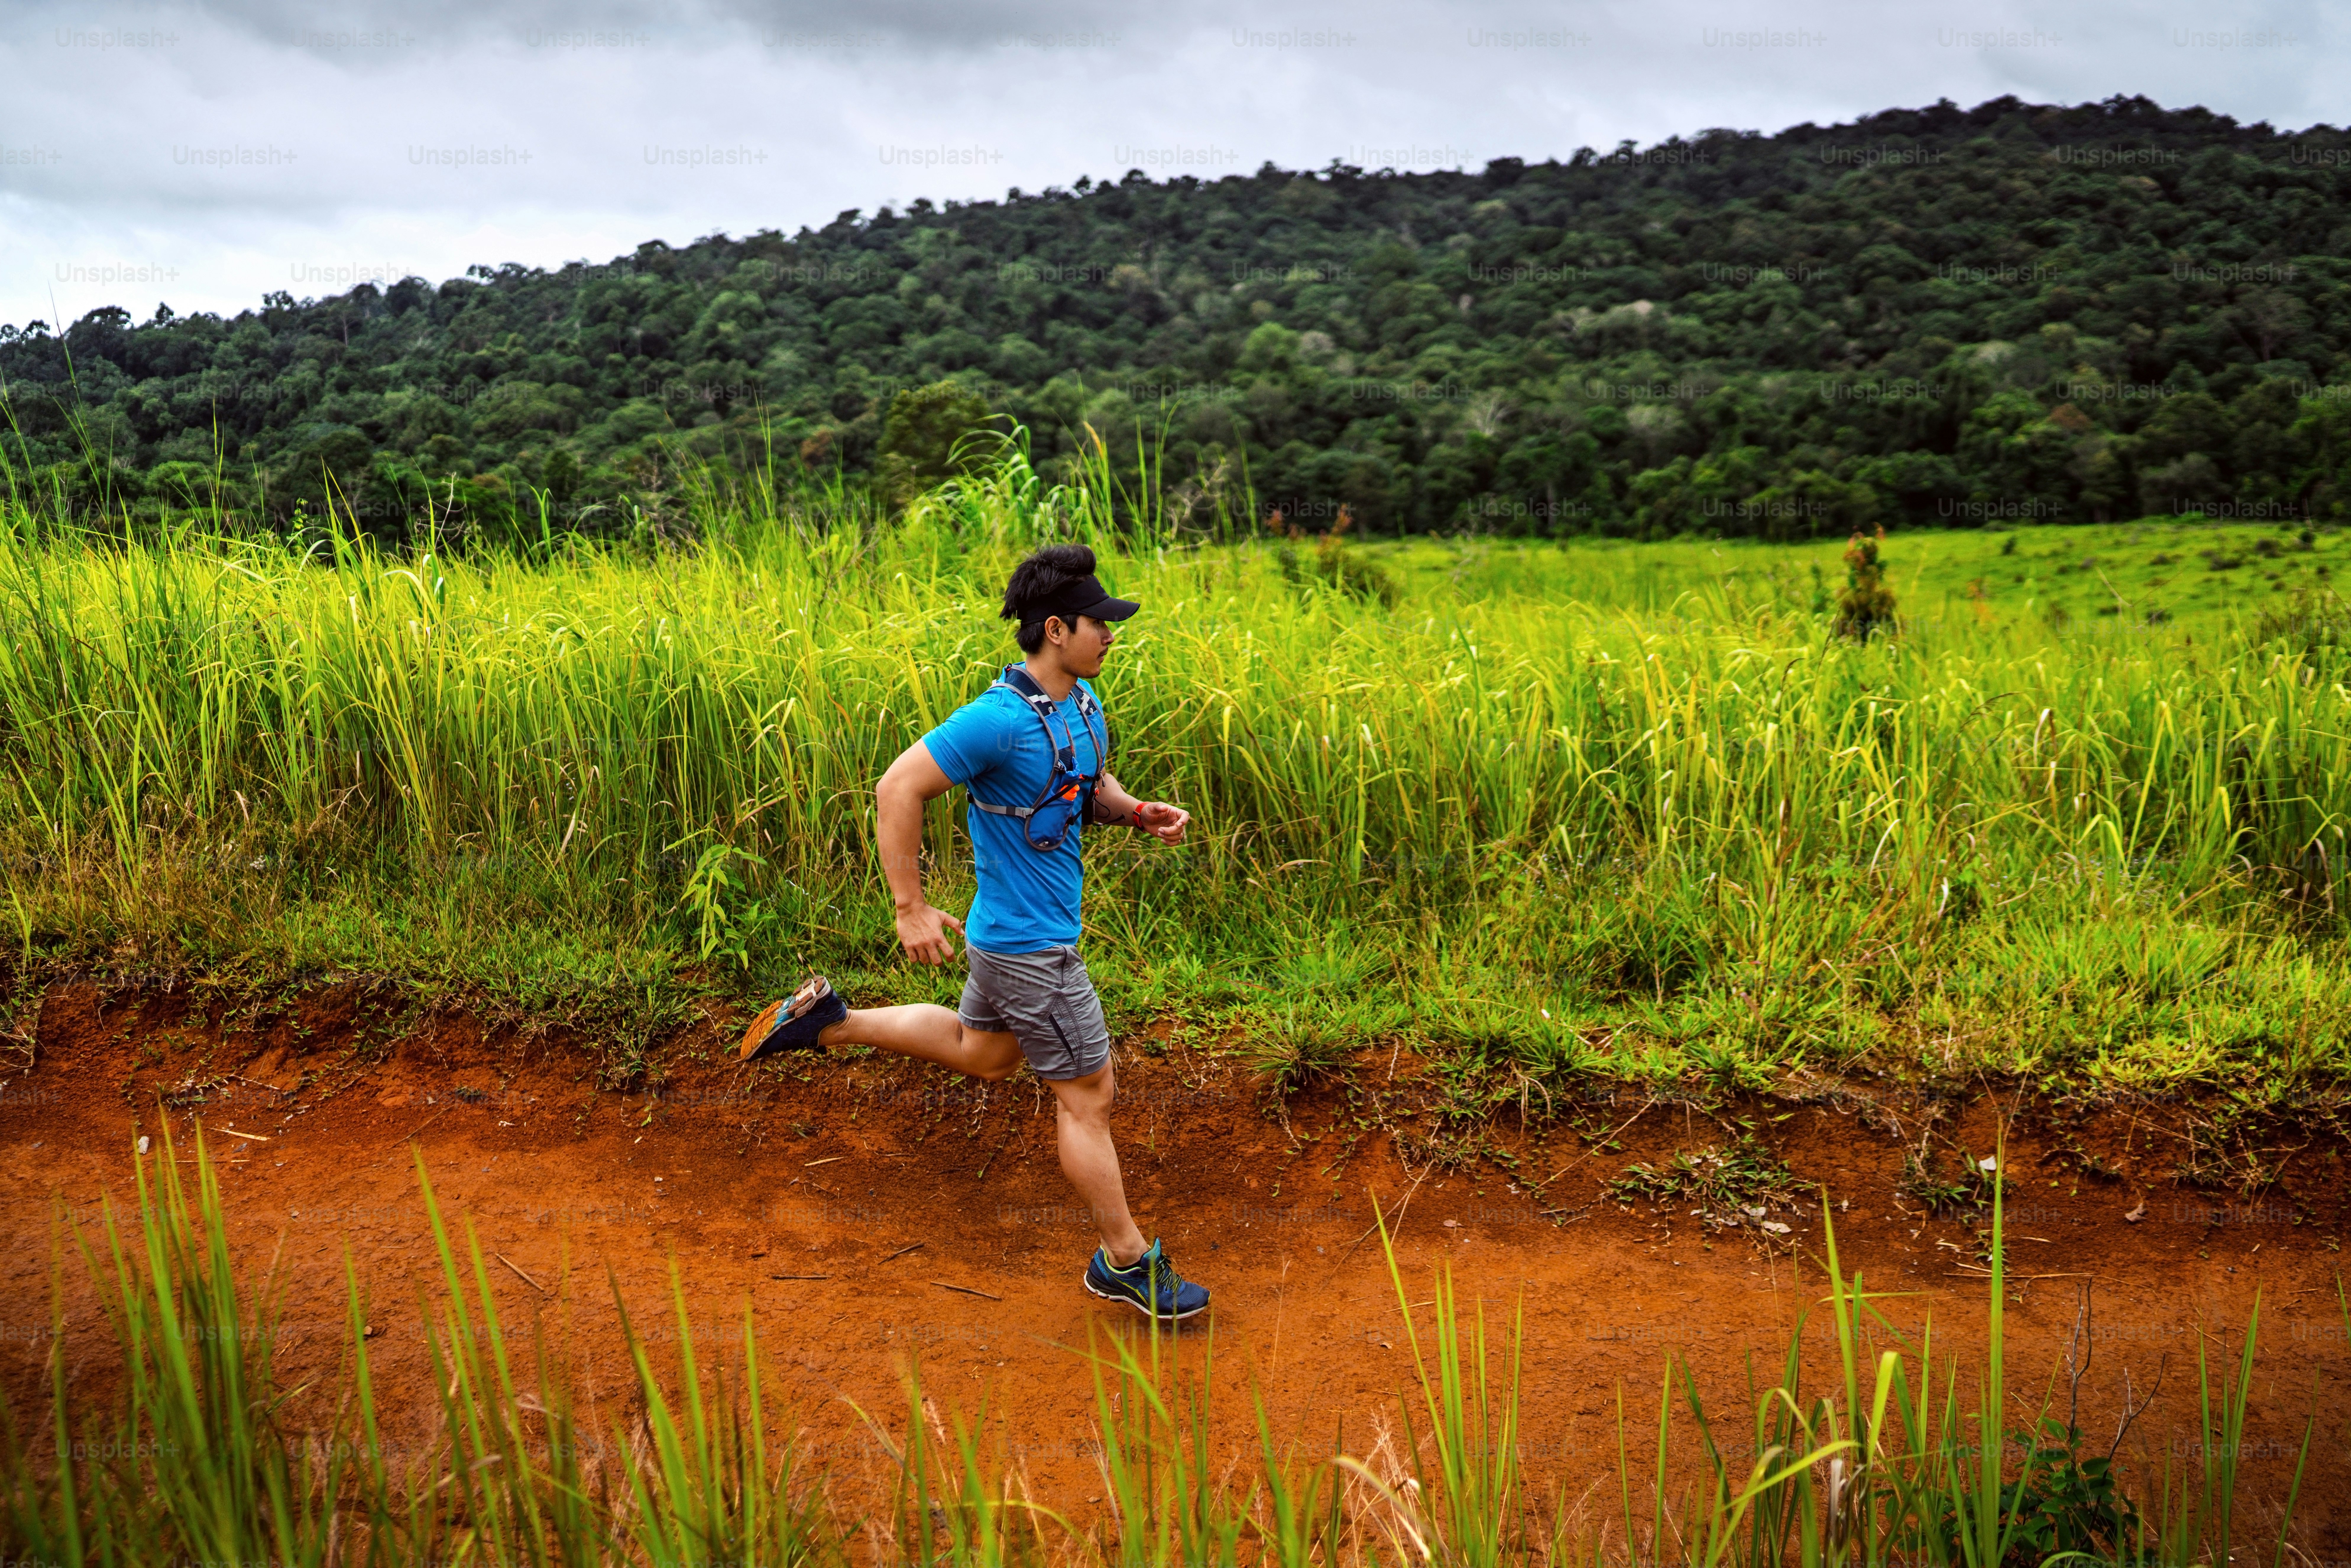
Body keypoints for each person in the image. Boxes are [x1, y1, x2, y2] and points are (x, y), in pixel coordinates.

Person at [739, 543, 1210, 1321]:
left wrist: (1132, 811)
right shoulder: (995, 720)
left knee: (984, 1052)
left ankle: (832, 1022)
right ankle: (1126, 1261)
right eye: (1100, 624)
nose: (1111, 636)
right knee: (1089, 1095)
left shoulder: (1080, 705)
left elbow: (1082, 785)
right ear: (1056, 629)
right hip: (1033, 948)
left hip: (1008, 936)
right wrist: (908, 907)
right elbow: (898, 786)